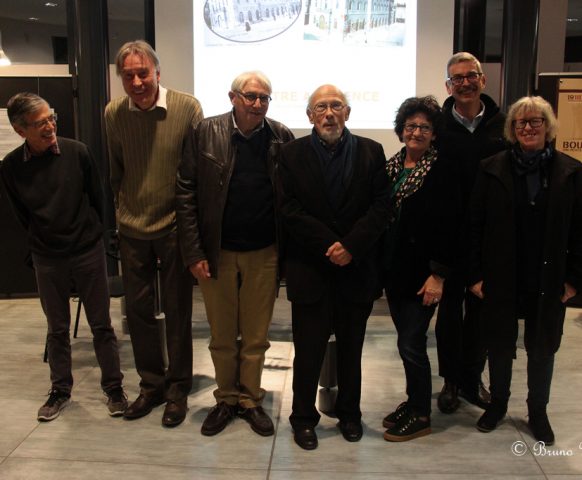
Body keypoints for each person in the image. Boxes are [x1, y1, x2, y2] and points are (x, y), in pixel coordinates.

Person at [176, 71, 294, 437]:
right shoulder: (204, 132)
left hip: (264, 252)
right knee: (222, 334)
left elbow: (290, 199)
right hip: (217, 252)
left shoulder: (281, 136)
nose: (257, 104)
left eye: (264, 98)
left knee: (257, 336)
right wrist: (194, 251)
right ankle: (226, 398)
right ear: (233, 97)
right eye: (251, 97)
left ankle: (251, 400)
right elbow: (185, 193)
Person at [0, 92, 126, 421]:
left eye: (51, 118)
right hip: (47, 255)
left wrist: (95, 235)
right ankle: (60, 391)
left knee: (101, 324)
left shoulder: (77, 152)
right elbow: (21, 214)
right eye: (41, 123)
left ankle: (114, 387)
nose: (50, 126)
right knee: (57, 328)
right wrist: (43, 240)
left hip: (86, 249)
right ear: (20, 129)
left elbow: (98, 199)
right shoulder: (11, 167)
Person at [279, 84, 390, 450]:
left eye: (336, 106)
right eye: (321, 107)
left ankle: (350, 414)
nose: (329, 113)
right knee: (307, 352)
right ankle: (303, 419)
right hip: (310, 267)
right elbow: (289, 209)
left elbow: (380, 208)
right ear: (309, 115)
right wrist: (330, 244)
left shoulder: (372, 152)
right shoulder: (291, 154)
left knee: (351, 350)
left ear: (348, 112)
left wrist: (351, 247)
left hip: (354, 270)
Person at [469, 96, 582, 445]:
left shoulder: (571, 171)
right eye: (521, 123)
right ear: (512, 129)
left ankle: (538, 411)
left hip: (549, 276)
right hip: (501, 273)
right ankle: (498, 403)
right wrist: (474, 276)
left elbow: (581, 230)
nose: (529, 127)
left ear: (548, 128)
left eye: (536, 122)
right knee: (499, 343)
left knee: (543, 346)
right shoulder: (491, 168)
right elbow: (474, 225)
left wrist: (574, 280)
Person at [104, 40, 203, 427]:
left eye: (143, 72)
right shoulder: (113, 113)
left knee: (178, 310)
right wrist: (123, 209)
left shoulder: (187, 107)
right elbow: (116, 170)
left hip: (175, 226)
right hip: (132, 226)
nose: (137, 81)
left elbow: (194, 172)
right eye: (128, 75)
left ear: (157, 73)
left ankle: (178, 389)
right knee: (139, 311)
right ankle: (151, 385)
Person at [435, 51, 506, 413]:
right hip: (448, 238)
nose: (464, 82)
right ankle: (449, 379)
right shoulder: (437, 127)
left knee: (480, 313)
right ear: (448, 85)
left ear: (483, 80)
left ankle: (471, 378)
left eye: (470, 75)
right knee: (448, 313)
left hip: (489, 239)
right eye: (456, 78)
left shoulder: (503, 125)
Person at [382, 96, 456, 442]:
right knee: (405, 343)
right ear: (401, 130)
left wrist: (438, 275)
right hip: (396, 273)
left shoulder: (442, 172)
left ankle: (422, 414)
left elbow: (450, 228)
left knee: (412, 344)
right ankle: (413, 402)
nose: (416, 132)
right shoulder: (392, 167)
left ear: (434, 133)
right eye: (410, 126)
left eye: (424, 127)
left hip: (424, 276)